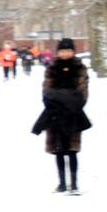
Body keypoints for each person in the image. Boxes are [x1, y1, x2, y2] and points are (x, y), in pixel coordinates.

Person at [34, 38, 91, 195]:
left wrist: (74, 103)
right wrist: (53, 103)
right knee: (58, 150)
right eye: (62, 51)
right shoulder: (52, 68)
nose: (65, 53)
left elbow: (83, 90)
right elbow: (46, 90)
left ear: (73, 51)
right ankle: (61, 183)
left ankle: (74, 184)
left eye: (68, 50)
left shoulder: (79, 68)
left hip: (73, 114)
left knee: (72, 150)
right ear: (58, 52)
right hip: (55, 114)